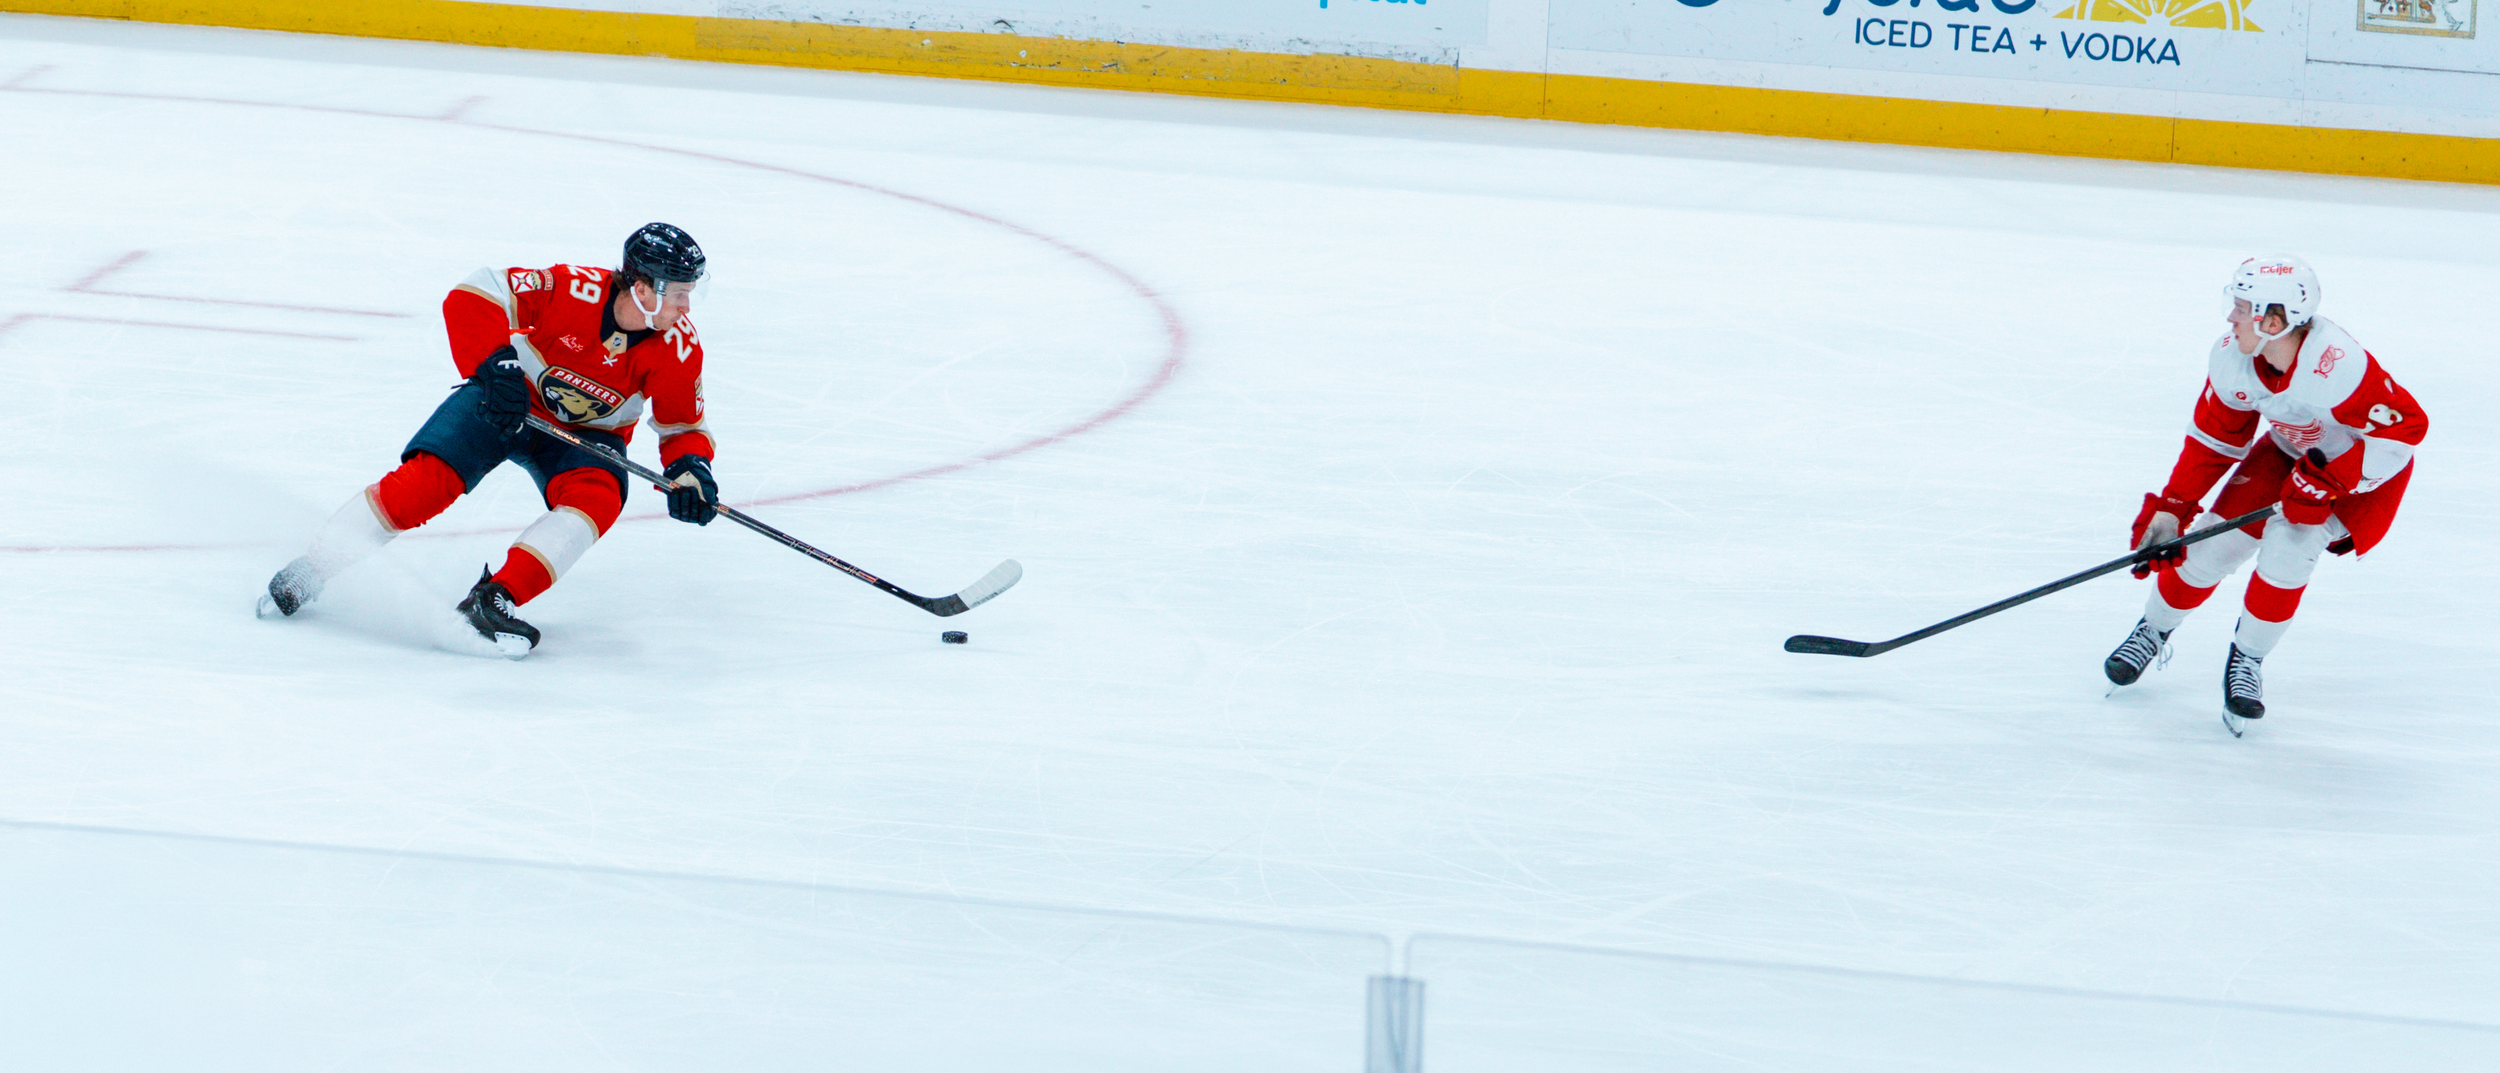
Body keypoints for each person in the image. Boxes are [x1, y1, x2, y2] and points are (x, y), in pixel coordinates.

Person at [258, 223, 722, 656]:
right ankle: (314, 567)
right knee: (425, 484)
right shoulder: (571, 288)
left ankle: (494, 600)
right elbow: (475, 292)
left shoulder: (679, 347)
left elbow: (682, 428)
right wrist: (495, 363)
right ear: (642, 289)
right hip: (507, 402)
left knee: (596, 500)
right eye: (680, 294)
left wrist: (691, 471)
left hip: (584, 439)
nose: (686, 307)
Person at [2103, 255, 2425, 720]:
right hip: (2289, 456)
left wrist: (2330, 481)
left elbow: (2404, 432)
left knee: (2289, 551)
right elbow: (2215, 440)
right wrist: (2174, 507)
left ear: (2275, 321)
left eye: (2242, 307)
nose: (2231, 317)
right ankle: (2153, 631)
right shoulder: (2235, 358)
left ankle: (2247, 659)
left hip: (2361, 476)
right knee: (2212, 544)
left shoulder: (2337, 365)